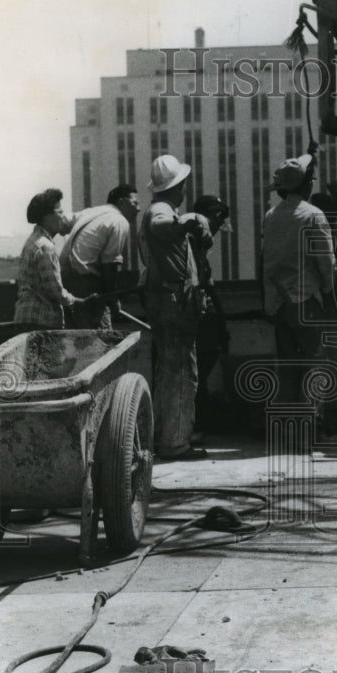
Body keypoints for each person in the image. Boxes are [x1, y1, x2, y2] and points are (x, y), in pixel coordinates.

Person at [262, 151, 337, 440]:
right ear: (305, 185)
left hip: (278, 303)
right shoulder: (313, 215)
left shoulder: (271, 216)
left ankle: (289, 431)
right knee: (316, 364)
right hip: (306, 303)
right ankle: (313, 429)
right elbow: (326, 264)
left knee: (288, 368)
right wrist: (330, 299)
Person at [140, 155, 210, 461]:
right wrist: (191, 220)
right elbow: (159, 225)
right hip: (173, 302)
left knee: (170, 371)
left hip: (170, 300)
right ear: (177, 186)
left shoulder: (165, 209)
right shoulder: (161, 211)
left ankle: (164, 437)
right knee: (181, 372)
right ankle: (175, 443)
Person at [59, 183, 140, 328]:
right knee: (101, 338)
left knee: (74, 337)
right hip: (85, 284)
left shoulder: (91, 212)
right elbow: (110, 265)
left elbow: (62, 223)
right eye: (135, 203)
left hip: (64, 281)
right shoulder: (120, 221)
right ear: (121, 202)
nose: (138, 208)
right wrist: (113, 300)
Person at [187, 193, 232, 431]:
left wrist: (223, 326)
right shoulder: (190, 244)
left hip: (204, 317)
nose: (216, 232)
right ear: (214, 216)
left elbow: (211, 288)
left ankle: (199, 423)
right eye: (218, 223)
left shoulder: (197, 245)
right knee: (196, 374)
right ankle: (196, 425)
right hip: (195, 317)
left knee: (199, 373)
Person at [14, 188, 86, 330]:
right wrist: (77, 302)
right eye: (59, 212)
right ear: (46, 216)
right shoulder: (46, 247)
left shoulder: (32, 241)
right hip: (41, 322)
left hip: (26, 318)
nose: (62, 217)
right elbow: (55, 291)